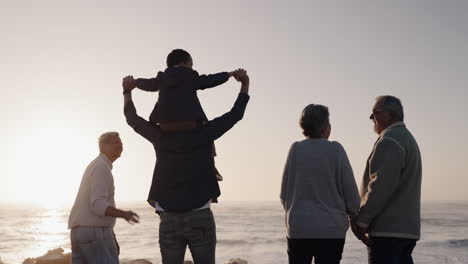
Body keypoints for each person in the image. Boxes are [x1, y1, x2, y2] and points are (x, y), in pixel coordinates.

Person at [122, 70, 250, 264]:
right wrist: (244, 85)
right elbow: (235, 114)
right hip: (199, 212)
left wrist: (127, 91)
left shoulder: (159, 136)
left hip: (168, 214)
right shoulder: (204, 133)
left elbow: (132, 119)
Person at [125, 49, 242, 181]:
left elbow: (150, 84)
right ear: (185, 62)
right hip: (191, 123)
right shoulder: (189, 75)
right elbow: (208, 80)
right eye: (191, 63)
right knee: (207, 131)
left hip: (165, 125)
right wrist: (229, 74)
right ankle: (212, 165)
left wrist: (135, 83)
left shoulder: (162, 78)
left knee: (155, 133)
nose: (192, 66)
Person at [280, 104, 360, 264]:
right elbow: (350, 191)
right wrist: (355, 215)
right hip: (331, 230)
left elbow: (284, 194)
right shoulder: (336, 149)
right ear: (324, 126)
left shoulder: (295, 149)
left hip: (299, 228)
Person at [352, 96, 422, 264]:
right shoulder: (408, 139)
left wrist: (361, 222)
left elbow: (380, 186)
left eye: (375, 112)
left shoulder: (390, 140)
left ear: (389, 115)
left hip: (387, 232)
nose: (371, 118)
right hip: (406, 231)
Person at [68, 132, 140, 264]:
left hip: (79, 232)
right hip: (94, 232)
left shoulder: (96, 165)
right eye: (116, 142)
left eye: (121, 143)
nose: (120, 146)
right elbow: (98, 205)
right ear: (103, 146)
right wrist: (124, 214)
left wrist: (110, 235)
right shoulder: (101, 167)